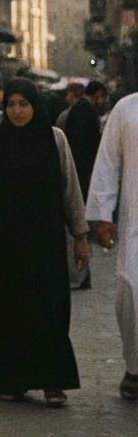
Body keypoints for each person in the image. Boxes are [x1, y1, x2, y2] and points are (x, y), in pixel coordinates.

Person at [0, 78, 90, 406]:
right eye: (12, 105)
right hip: (2, 243)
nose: (18, 111)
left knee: (49, 309)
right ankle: (11, 379)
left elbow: (70, 190)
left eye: (24, 104)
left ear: (35, 106)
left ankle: (52, 381)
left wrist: (81, 237)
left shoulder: (55, 139)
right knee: (7, 310)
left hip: (44, 242)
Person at [84, 91, 138, 401]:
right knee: (129, 292)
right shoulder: (126, 108)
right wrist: (102, 216)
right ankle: (134, 366)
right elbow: (107, 163)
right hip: (134, 226)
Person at [62, 82, 106, 290]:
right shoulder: (85, 113)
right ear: (97, 95)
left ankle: (81, 272)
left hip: (80, 175)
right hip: (83, 177)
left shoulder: (78, 111)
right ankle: (80, 272)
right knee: (80, 228)